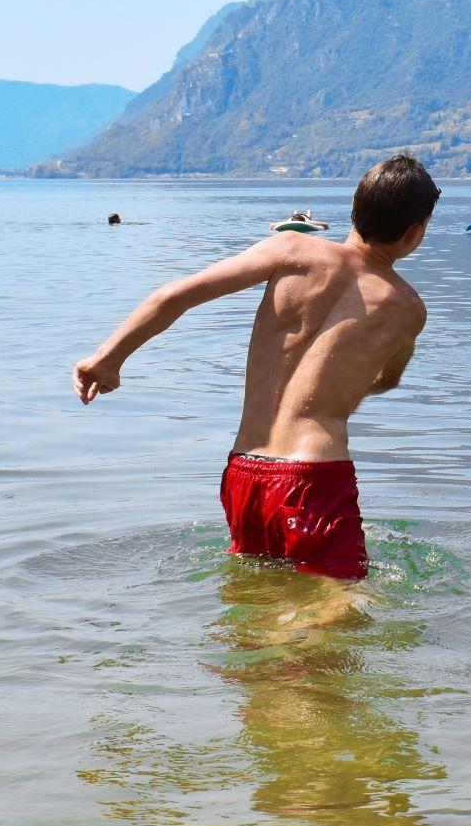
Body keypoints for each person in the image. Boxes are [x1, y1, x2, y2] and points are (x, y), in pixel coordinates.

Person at [73, 154, 438, 579]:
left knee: (254, 597)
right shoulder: (407, 308)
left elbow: (174, 296)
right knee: (338, 614)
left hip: (245, 471)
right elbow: (386, 380)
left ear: (354, 210)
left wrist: (107, 359)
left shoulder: (290, 249)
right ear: (415, 233)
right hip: (314, 479)